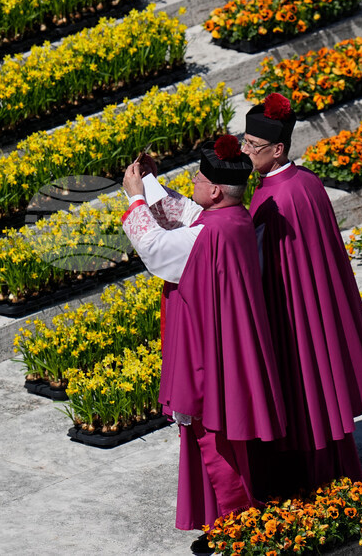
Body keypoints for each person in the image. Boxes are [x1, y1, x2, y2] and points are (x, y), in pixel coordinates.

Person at [121, 136, 286, 554]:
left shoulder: (208, 235)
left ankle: (234, 522)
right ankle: (226, 515)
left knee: (211, 435)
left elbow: (156, 249)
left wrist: (136, 199)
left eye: (196, 178)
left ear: (215, 189)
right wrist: (153, 185)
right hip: (225, 340)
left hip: (204, 349)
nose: (191, 183)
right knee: (219, 434)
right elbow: (189, 212)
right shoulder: (233, 219)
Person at [240, 92, 362, 497]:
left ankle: (309, 480)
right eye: (245, 143)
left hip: (288, 310)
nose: (246, 152)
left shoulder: (272, 197)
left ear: (278, 148)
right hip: (317, 304)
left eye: (253, 146)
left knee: (302, 390)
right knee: (322, 384)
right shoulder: (307, 182)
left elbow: (263, 266)